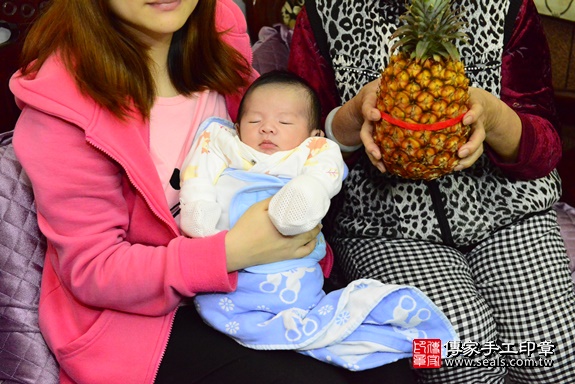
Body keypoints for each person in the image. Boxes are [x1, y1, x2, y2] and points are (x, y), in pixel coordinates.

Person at [8, 1, 414, 383]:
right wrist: (233, 250)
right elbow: (93, 271)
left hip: (272, 284)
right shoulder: (62, 106)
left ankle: (476, 354)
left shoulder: (217, 31)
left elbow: (274, 154)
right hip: (144, 323)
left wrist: (340, 132)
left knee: (405, 358)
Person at [288, 0, 575, 383]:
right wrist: (351, 117)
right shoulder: (323, 13)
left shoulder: (508, 6)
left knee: (557, 359)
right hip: (381, 226)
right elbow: (294, 149)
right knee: (454, 361)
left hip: (510, 210)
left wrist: (493, 116)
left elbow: (547, 149)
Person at [179, 70, 457, 372]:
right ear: (236, 127)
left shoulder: (311, 151)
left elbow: (325, 172)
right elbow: (197, 174)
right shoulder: (225, 145)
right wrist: (199, 210)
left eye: (284, 122)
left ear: (312, 135)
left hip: (293, 268)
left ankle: (432, 347)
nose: (267, 129)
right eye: (254, 121)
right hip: (232, 274)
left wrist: (304, 194)